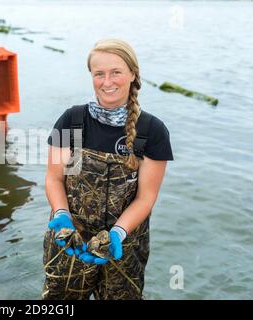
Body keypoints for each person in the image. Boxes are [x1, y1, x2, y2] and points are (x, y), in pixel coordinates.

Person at [42, 39, 173, 300]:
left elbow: (146, 197)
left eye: (116, 72)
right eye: (99, 74)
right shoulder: (74, 121)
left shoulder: (151, 131)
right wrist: (62, 215)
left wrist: (117, 234)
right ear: (91, 76)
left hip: (124, 246)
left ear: (133, 74)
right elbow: (54, 178)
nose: (107, 81)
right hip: (70, 241)